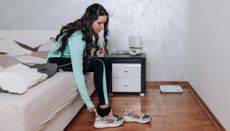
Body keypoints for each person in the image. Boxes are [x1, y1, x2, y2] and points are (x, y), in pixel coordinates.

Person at [47, 3, 124, 128]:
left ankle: (104, 106)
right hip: (57, 61)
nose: (102, 26)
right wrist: (88, 103)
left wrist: (98, 50)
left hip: (67, 58)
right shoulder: (77, 36)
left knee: (105, 61)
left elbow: (83, 53)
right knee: (99, 63)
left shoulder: (87, 31)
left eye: (104, 23)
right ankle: (104, 110)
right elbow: (78, 71)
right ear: (90, 20)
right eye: (99, 23)